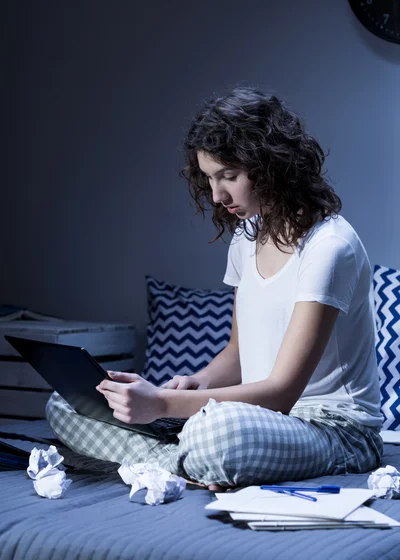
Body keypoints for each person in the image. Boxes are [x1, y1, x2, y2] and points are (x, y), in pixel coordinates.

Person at [46, 85, 383, 491]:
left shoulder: (330, 247)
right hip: (262, 418)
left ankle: (178, 454)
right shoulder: (246, 237)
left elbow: (281, 393)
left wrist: (163, 405)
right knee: (67, 403)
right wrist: (198, 381)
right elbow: (239, 353)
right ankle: (182, 458)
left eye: (229, 176)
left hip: (333, 432)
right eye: (209, 178)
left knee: (220, 431)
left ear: (272, 164)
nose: (217, 195)